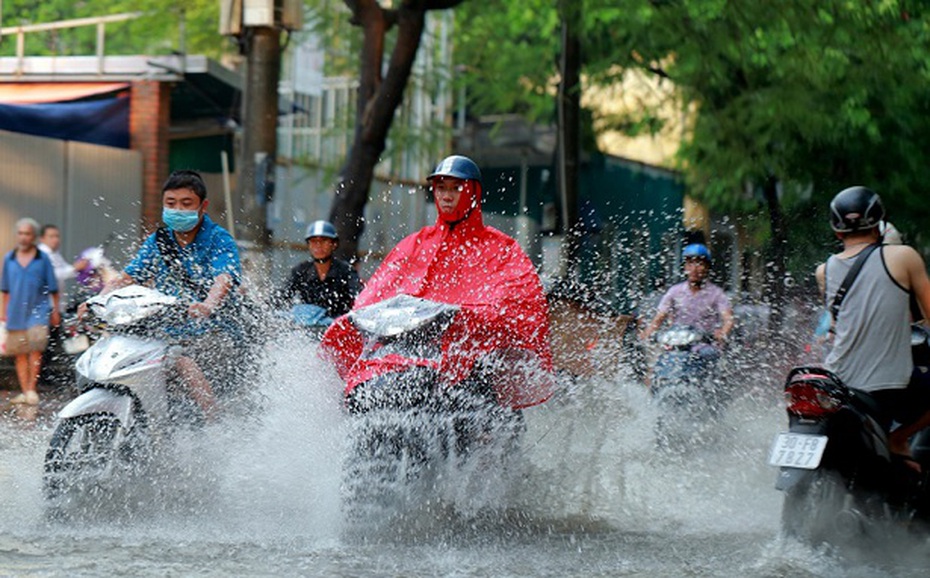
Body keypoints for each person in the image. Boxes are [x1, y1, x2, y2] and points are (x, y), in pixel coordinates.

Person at [321, 154, 554, 410]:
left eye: (456, 188)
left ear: (473, 192)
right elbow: (375, 296)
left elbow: (518, 304)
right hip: (405, 354)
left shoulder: (501, 249)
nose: (447, 195)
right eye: (441, 187)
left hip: (469, 358)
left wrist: (470, 318)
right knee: (359, 394)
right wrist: (356, 318)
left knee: (473, 405)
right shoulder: (414, 243)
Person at [88, 170, 243, 417]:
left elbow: (223, 278)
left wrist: (207, 305)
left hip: (214, 331)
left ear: (203, 206)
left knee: (177, 359)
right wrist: (98, 299)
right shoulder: (158, 241)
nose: (178, 210)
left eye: (186, 203)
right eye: (171, 203)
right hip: (165, 329)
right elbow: (127, 277)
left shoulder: (218, 239)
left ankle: (215, 422)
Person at [817, 186, 930, 468]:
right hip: (888, 386)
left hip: (838, 382)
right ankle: (899, 438)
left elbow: (837, 325)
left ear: (837, 230)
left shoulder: (824, 271)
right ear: (879, 223)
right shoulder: (904, 257)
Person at [1, 218, 60, 405]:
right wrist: (3, 311)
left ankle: (32, 389)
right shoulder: (9, 259)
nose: (23, 237)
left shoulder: (42, 259)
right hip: (16, 311)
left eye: (27, 234)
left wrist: (55, 311)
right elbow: (5, 289)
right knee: (20, 352)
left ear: (34, 237)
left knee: (35, 350)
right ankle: (25, 390)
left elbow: (53, 288)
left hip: (38, 310)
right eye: (20, 233)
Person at [639, 242, 735, 344]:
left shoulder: (716, 293)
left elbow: (728, 319)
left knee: (707, 353)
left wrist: (722, 332)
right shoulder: (675, 291)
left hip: (705, 343)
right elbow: (659, 317)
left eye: (700, 264)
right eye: (690, 263)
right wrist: (647, 333)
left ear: (707, 268)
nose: (694, 269)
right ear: (684, 267)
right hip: (677, 341)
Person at [274, 220, 361, 319]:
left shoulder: (346, 271)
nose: (318, 245)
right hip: (307, 328)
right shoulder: (301, 271)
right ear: (309, 245)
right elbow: (281, 297)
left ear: (334, 244)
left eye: (324, 240)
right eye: (314, 241)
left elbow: (359, 298)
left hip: (336, 329)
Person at [38, 224, 89, 313]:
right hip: (45, 304)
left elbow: (66, 269)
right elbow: (52, 275)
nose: (55, 240)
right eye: (51, 236)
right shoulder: (41, 254)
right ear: (42, 239)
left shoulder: (55, 254)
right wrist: (75, 268)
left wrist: (79, 267)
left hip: (56, 303)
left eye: (57, 236)